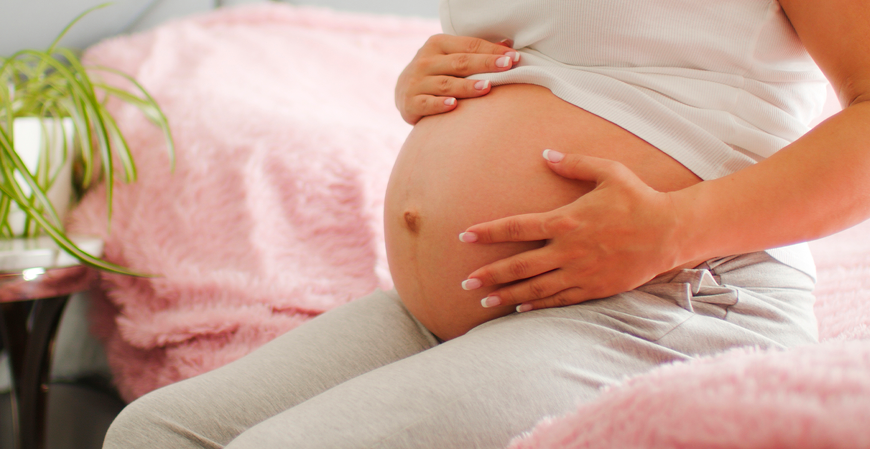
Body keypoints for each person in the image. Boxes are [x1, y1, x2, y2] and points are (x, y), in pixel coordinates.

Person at [103, 0, 870, 447]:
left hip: (669, 300)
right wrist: (428, 80)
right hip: (469, 310)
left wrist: (676, 227)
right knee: (153, 435)